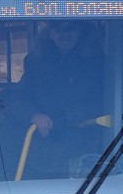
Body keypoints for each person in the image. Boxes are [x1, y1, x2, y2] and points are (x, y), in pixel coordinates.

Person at [13, 20, 109, 177]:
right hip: (38, 147)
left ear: (81, 32)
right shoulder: (36, 61)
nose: (65, 34)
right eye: (58, 29)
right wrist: (33, 115)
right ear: (50, 33)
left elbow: (105, 99)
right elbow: (19, 96)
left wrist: (67, 115)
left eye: (71, 28)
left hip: (84, 147)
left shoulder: (98, 62)